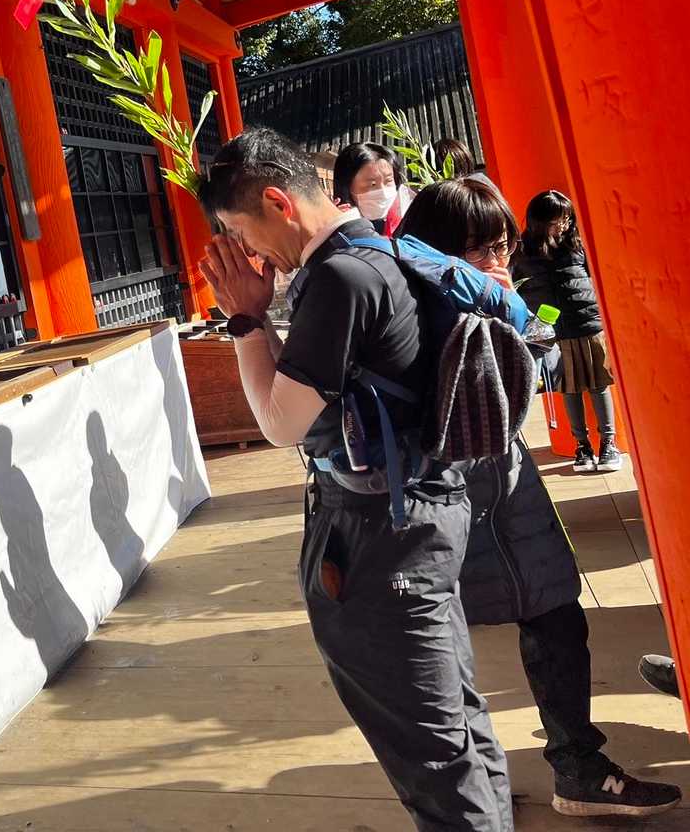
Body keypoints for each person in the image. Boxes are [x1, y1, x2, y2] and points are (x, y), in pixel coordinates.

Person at [198, 128, 511, 831]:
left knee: (430, 750)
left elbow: (278, 421)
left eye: (240, 231)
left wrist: (245, 319)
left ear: (277, 202)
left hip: (380, 536)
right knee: (454, 724)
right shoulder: (378, 250)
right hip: (422, 513)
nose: (247, 252)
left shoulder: (339, 279)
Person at [396, 179, 682, 820]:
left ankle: (578, 767)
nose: (498, 261)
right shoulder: (410, 311)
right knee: (441, 644)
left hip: (509, 486)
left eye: (503, 246)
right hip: (443, 497)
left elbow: (542, 369)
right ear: (439, 250)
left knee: (556, 617)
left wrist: (518, 318)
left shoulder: (501, 295)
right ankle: (468, 786)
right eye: (481, 249)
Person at [513, 190, 623, 473]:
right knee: (568, 388)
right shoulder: (523, 251)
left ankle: (608, 443)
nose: (564, 224)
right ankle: (581, 446)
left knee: (598, 384)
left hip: (587, 321)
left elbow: (595, 276)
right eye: (558, 219)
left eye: (566, 218)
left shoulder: (576, 244)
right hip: (552, 329)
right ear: (540, 220)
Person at [332, 141, 417, 235]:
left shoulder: (409, 215)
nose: (383, 193)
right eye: (372, 184)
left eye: (388, 181)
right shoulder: (335, 225)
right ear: (347, 186)